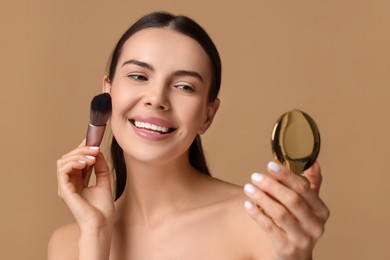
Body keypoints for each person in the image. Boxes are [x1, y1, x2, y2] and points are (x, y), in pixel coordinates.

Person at [48, 11, 330, 260]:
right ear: (107, 92)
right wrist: (96, 235)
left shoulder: (258, 223)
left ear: (208, 114)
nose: (157, 98)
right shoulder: (68, 243)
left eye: (184, 86)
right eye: (138, 76)